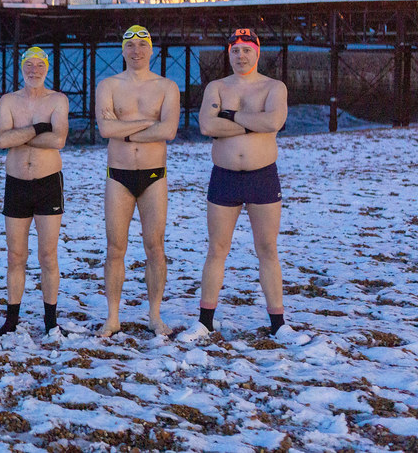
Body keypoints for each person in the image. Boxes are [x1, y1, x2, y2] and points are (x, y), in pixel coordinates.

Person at [181, 28, 308, 345]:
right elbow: (207, 125)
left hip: (262, 176)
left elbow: (273, 123)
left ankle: (278, 323)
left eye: (246, 50)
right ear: (229, 54)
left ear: (257, 52)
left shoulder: (273, 87)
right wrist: (253, 119)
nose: (241, 56)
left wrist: (231, 115)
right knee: (216, 249)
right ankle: (205, 322)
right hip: (224, 177)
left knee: (267, 249)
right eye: (235, 50)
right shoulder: (217, 86)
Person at [96, 25, 180, 337]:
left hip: (154, 175)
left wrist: (125, 129)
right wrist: (148, 124)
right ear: (122, 50)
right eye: (130, 46)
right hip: (117, 176)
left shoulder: (166, 87)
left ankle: (155, 315)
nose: (136, 51)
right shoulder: (109, 85)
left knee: (154, 246)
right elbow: (105, 129)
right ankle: (113, 317)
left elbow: (169, 131)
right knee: (115, 247)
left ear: (151, 50)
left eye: (142, 46)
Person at [0, 47, 69, 336]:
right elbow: (1, 140)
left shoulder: (57, 100)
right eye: (29, 65)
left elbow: (59, 139)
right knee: (15, 256)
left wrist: (20, 136)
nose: (34, 70)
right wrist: (39, 128)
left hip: (48, 182)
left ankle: (51, 321)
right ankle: (12, 319)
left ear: (46, 69)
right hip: (16, 184)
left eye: (39, 65)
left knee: (48, 255)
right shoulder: (8, 101)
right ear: (21, 68)